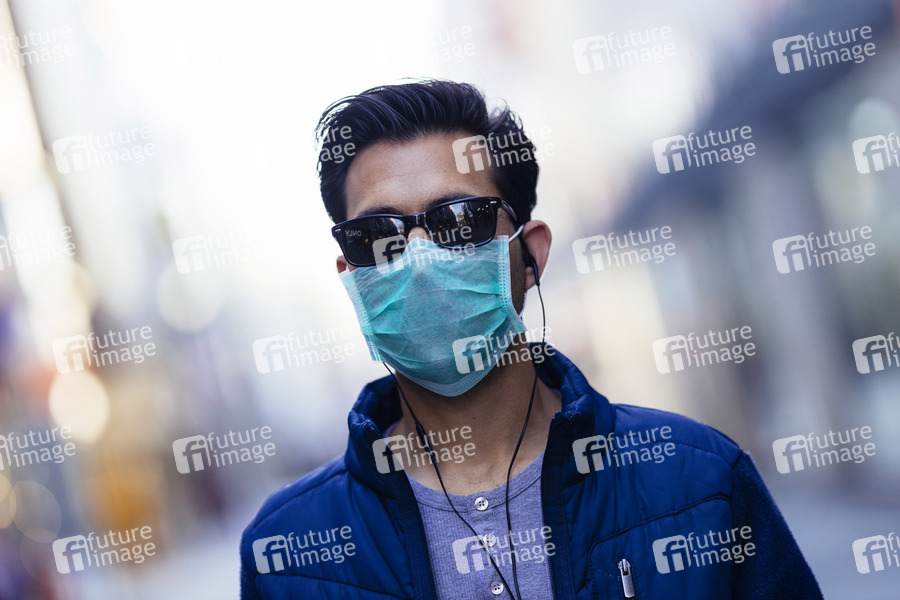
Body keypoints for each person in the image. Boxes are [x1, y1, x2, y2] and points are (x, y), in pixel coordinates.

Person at [240, 80, 823, 599]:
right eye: (377, 235)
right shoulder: (286, 555)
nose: (418, 260)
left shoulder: (701, 484)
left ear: (529, 256)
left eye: (459, 221)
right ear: (352, 277)